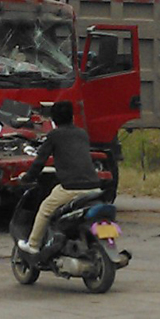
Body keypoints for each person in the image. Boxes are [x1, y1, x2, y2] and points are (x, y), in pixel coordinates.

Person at [16, 101, 105, 256]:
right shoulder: (82, 134)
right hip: (94, 187)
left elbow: (39, 161)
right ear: (71, 117)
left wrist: (27, 177)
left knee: (45, 209)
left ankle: (33, 245)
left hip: (71, 188)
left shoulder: (54, 135)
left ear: (53, 119)